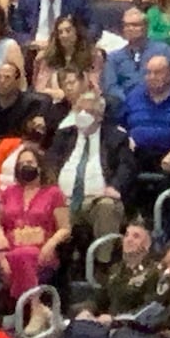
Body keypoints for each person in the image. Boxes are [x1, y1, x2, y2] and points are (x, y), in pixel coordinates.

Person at [47, 91, 135, 251]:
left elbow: (127, 166)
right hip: (62, 199)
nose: (82, 115)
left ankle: (103, 265)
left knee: (107, 206)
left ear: (100, 116)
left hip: (96, 199)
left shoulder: (115, 137)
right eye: (79, 110)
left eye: (88, 111)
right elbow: (50, 162)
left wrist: (115, 186)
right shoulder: (64, 135)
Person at [0, 142, 70, 301]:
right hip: (10, 246)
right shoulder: (8, 192)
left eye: (29, 163)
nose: (25, 167)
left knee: (24, 255)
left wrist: (50, 245)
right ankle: (35, 309)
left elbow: (65, 228)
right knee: (11, 257)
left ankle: (30, 307)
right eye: (21, 164)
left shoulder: (53, 193)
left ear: (40, 166)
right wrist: (1, 241)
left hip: (41, 249)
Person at [101, 8, 170, 106]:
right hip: (126, 105)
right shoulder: (113, 57)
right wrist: (132, 100)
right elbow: (111, 87)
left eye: (135, 25)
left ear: (146, 27)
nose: (130, 29)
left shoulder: (164, 51)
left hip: (160, 102)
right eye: (126, 25)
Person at [31, 14, 103, 101]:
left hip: (83, 101)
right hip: (53, 102)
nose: (64, 35)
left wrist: (71, 94)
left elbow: (95, 87)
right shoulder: (46, 57)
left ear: (77, 32)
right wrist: (56, 93)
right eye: (60, 32)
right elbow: (40, 88)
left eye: (68, 31)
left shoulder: (93, 56)